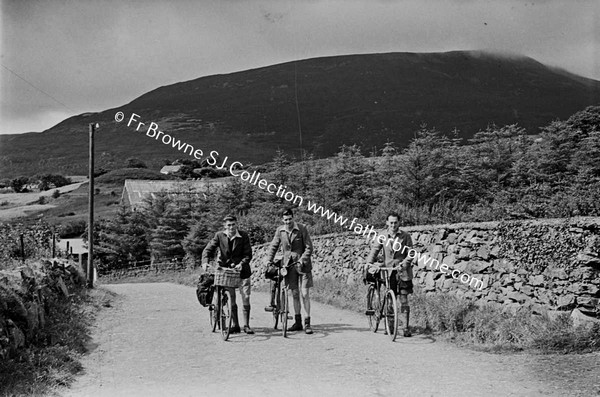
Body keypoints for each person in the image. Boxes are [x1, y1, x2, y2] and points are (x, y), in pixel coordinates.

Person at [201, 214, 254, 334]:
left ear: (236, 224)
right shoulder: (219, 236)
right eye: (228, 225)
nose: (231, 227)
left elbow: (248, 254)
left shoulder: (243, 235)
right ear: (225, 226)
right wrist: (205, 262)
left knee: (246, 297)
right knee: (231, 298)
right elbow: (208, 249)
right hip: (227, 272)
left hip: (242, 271)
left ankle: (246, 325)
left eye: (233, 224)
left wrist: (242, 263)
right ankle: (235, 325)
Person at [364, 212, 414, 337]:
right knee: (390, 300)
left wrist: (404, 263)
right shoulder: (382, 236)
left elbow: (411, 253)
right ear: (387, 223)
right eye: (391, 222)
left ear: (399, 223)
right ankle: (390, 326)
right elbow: (375, 250)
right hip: (388, 271)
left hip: (402, 271)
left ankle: (406, 328)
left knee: (403, 299)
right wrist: (369, 263)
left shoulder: (405, 236)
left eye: (395, 222)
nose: (393, 225)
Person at [265, 208, 314, 334]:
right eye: (285, 220)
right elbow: (274, 246)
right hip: (288, 266)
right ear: (282, 219)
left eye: (289, 219)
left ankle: (307, 322)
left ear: (293, 217)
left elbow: (309, 247)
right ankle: (298, 322)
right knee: (295, 293)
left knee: (304, 293)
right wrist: (268, 260)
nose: (287, 222)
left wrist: (302, 259)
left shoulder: (302, 228)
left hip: (303, 266)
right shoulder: (280, 230)